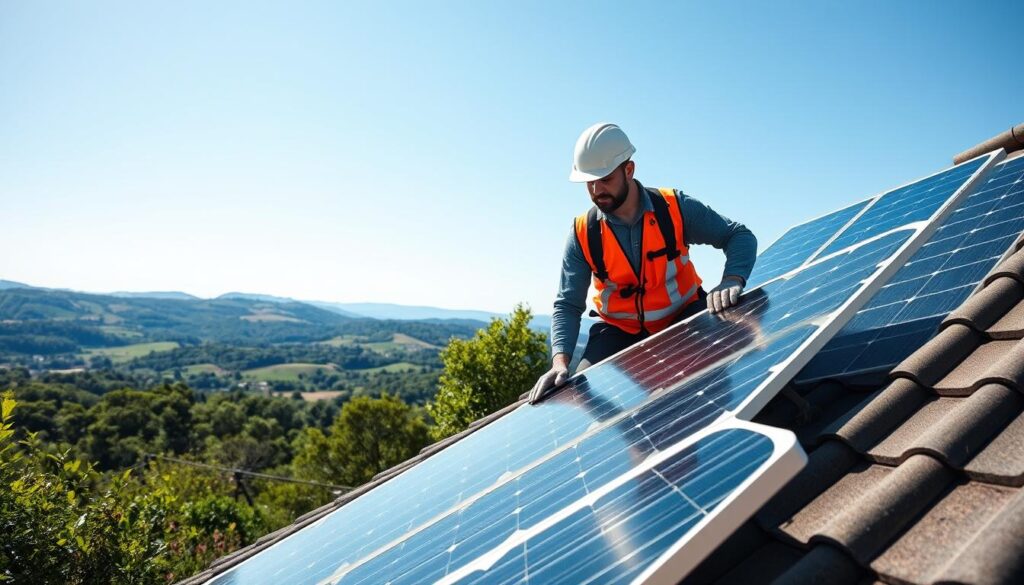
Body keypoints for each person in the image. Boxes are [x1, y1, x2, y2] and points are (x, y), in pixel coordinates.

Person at [529, 122, 757, 403]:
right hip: (616, 333)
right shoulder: (582, 233)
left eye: (605, 179)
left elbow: (738, 235)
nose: (596, 190)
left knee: (714, 384)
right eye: (589, 182)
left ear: (629, 170)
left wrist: (732, 279)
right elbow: (567, 304)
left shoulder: (675, 208)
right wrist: (560, 361)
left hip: (684, 316)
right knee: (583, 397)